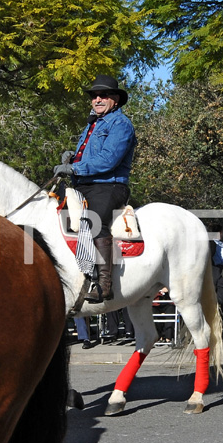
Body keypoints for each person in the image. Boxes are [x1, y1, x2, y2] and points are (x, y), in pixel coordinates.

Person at [54, 75, 137, 303]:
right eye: (94, 96)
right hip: (85, 185)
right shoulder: (91, 124)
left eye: (103, 95)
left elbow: (108, 159)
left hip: (110, 186)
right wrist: (71, 159)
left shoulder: (121, 124)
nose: (97, 99)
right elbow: (86, 157)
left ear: (116, 100)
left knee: (95, 221)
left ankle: (103, 284)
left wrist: (75, 168)